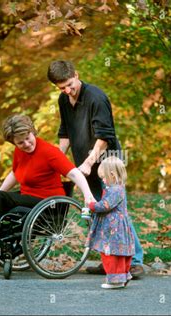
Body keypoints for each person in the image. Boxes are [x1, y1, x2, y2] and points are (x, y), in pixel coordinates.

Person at [47, 60, 145, 278]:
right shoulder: (64, 100)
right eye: (62, 88)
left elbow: (104, 136)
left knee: (115, 211)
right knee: (97, 212)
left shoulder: (96, 97)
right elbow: (65, 133)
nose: (67, 90)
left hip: (108, 162)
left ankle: (135, 261)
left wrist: (90, 163)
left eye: (70, 85)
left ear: (76, 74)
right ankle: (109, 259)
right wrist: (55, 160)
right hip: (85, 163)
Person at [0, 114, 95, 257]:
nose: (26, 144)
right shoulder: (19, 152)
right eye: (20, 143)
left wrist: (88, 195)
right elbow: (15, 174)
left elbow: (73, 174)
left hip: (48, 204)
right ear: (14, 144)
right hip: (28, 197)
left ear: (32, 132)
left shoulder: (49, 152)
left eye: (28, 138)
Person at [86, 157, 135, 289]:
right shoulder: (118, 188)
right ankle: (122, 277)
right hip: (117, 226)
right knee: (118, 252)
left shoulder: (115, 190)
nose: (102, 180)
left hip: (114, 229)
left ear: (112, 175)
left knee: (111, 253)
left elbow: (105, 205)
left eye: (103, 177)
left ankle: (115, 280)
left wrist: (92, 205)